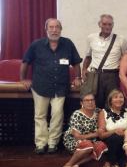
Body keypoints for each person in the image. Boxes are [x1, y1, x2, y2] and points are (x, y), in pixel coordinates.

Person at [20, 18, 82, 154]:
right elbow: (25, 61)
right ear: (46, 29)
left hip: (60, 87)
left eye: (57, 27)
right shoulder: (36, 45)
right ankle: (41, 144)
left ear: (61, 29)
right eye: (51, 27)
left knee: (57, 115)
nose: (54, 30)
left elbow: (76, 62)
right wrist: (23, 78)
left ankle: (53, 142)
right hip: (40, 86)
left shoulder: (68, 43)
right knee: (40, 116)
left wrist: (78, 77)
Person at [81, 14, 127, 108]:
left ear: (113, 25)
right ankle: (97, 122)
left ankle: (110, 122)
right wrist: (84, 70)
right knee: (94, 102)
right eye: (105, 24)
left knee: (112, 102)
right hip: (94, 75)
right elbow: (88, 56)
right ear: (99, 24)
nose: (107, 26)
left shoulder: (121, 40)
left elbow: (125, 57)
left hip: (112, 76)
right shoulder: (91, 38)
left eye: (110, 24)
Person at [62, 93, 107, 167]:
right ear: (81, 102)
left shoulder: (99, 111)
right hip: (74, 140)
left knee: (101, 146)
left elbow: (102, 128)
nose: (90, 102)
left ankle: (76, 165)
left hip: (92, 140)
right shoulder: (77, 114)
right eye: (87, 100)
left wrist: (98, 134)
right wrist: (95, 134)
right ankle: (68, 165)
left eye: (92, 100)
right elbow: (77, 136)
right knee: (88, 145)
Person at [97, 89, 127, 167]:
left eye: (121, 97)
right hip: (110, 138)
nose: (119, 99)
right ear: (110, 100)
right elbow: (101, 135)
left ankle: (126, 164)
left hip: (125, 138)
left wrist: (125, 133)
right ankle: (112, 163)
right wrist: (114, 131)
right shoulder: (103, 112)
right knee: (115, 138)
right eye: (115, 97)